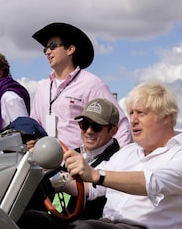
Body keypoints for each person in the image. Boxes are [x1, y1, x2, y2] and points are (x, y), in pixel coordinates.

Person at [18, 82, 182, 229]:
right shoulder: (129, 152)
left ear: (165, 117)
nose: (133, 120)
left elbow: (152, 181)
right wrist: (44, 180)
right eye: (131, 113)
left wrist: (95, 174)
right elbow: (89, 188)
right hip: (110, 228)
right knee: (31, 221)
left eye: (141, 113)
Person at [30, 22, 131, 150]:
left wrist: (119, 161)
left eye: (53, 46)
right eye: (46, 49)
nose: (48, 52)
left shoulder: (92, 84)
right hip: (47, 165)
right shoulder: (43, 88)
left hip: (82, 165)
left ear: (70, 49)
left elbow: (120, 123)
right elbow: (35, 124)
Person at [37, 98, 123, 220]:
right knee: (27, 218)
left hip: (90, 225)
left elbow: (92, 188)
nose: (89, 131)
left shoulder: (118, 159)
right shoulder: (74, 153)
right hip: (63, 218)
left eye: (97, 127)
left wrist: (58, 184)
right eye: (84, 124)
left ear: (113, 131)